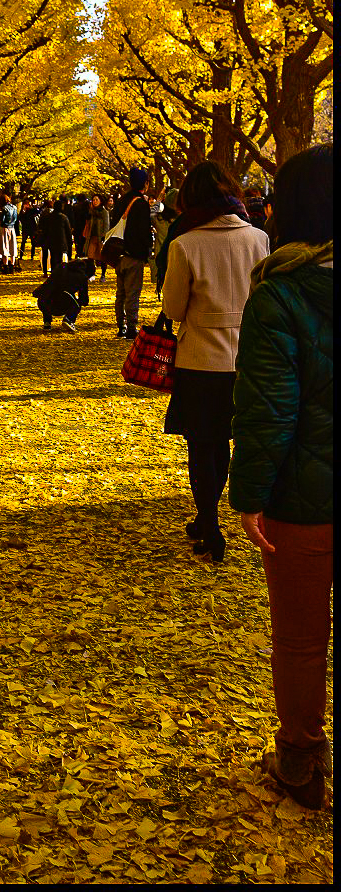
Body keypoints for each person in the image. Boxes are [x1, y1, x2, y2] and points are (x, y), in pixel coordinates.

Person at [229, 143, 333, 810]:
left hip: (304, 497)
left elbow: (270, 412)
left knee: (299, 639)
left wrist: (248, 497)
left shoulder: (281, 294)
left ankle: (300, 762)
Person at [161, 159, 269, 564]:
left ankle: (208, 520)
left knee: (203, 444)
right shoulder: (258, 239)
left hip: (201, 358)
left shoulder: (184, 245)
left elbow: (173, 308)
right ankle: (226, 513)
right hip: (248, 357)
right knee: (231, 439)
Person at [114, 167, 153, 339]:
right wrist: (147, 251)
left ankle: (120, 325)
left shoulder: (121, 201)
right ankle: (131, 327)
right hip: (134, 254)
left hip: (118, 253)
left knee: (120, 293)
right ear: (144, 183)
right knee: (132, 293)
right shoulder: (141, 204)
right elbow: (143, 231)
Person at [32, 258, 96, 334]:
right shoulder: (82, 277)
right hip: (60, 305)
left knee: (49, 291)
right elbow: (84, 300)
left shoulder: (62, 266)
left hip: (42, 302)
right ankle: (69, 319)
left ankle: (47, 323)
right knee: (75, 302)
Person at [149, 188, 179, 292]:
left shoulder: (158, 220)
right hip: (177, 256)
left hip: (161, 256)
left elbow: (151, 212)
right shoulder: (182, 221)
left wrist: (159, 199)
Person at [83, 193, 109, 275]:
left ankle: (103, 274)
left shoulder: (104, 212)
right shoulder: (91, 212)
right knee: (90, 257)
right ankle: (91, 274)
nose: (95, 201)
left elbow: (106, 224)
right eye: (93, 200)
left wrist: (104, 235)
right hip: (92, 237)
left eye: (96, 200)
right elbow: (88, 223)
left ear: (100, 201)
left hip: (101, 237)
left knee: (102, 257)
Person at [46, 200, 73, 271]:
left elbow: (45, 228)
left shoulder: (49, 216)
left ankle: (53, 271)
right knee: (59, 258)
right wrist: (70, 241)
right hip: (61, 241)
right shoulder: (64, 217)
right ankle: (59, 272)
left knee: (53, 256)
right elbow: (68, 231)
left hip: (51, 240)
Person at [0, 193, 19, 273]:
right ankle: (12, 267)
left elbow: (2, 220)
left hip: (4, 228)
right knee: (12, 247)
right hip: (12, 228)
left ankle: (6, 267)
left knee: (4, 248)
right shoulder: (14, 207)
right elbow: (16, 219)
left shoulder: (4, 208)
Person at [36, 199, 53, 276]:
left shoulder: (43, 213)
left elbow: (39, 225)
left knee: (45, 254)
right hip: (52, 236)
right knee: (53, 254)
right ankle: (53, 270)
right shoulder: (54, 213)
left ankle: (45, 271)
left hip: (44, 236)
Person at [72, 193, 90, 259]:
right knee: (84, 243)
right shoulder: (88, 206)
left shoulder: (75, 206)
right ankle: (84, 254)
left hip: (77, 228)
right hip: (85, 227)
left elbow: (73, 218)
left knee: (78, 244)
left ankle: (79, 255)